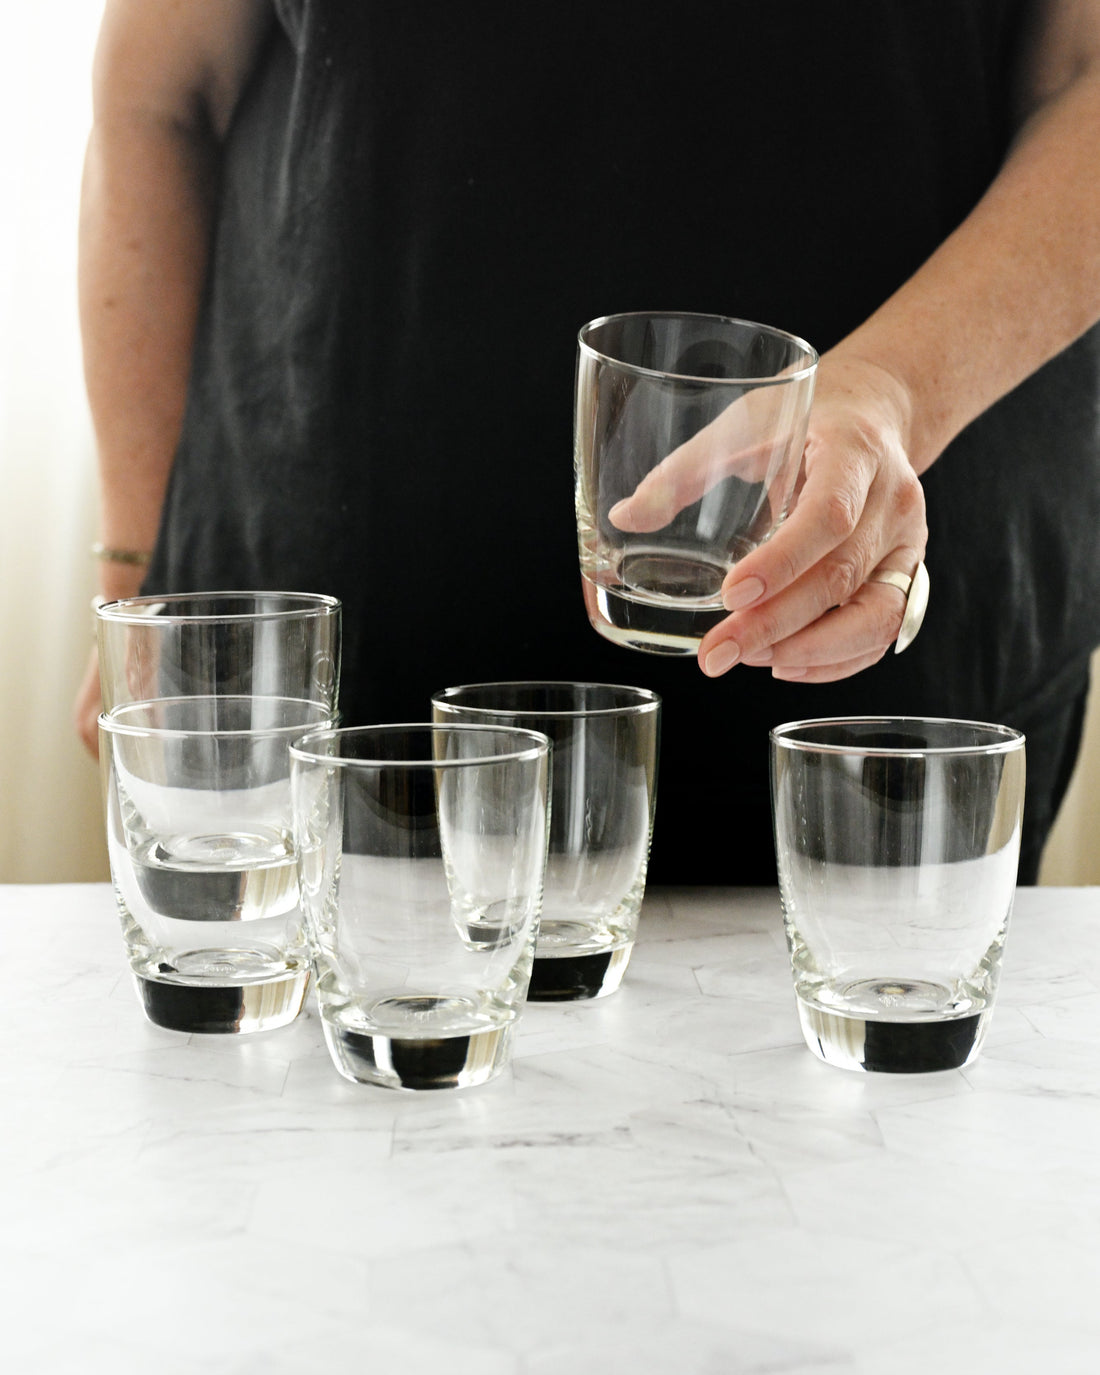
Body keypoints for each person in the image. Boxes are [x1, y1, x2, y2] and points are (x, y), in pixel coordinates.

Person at [75, 0, 1100, 885]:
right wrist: (136, 577)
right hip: (330, 639)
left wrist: (891, 392)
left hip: (874, 642)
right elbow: (157, 98)